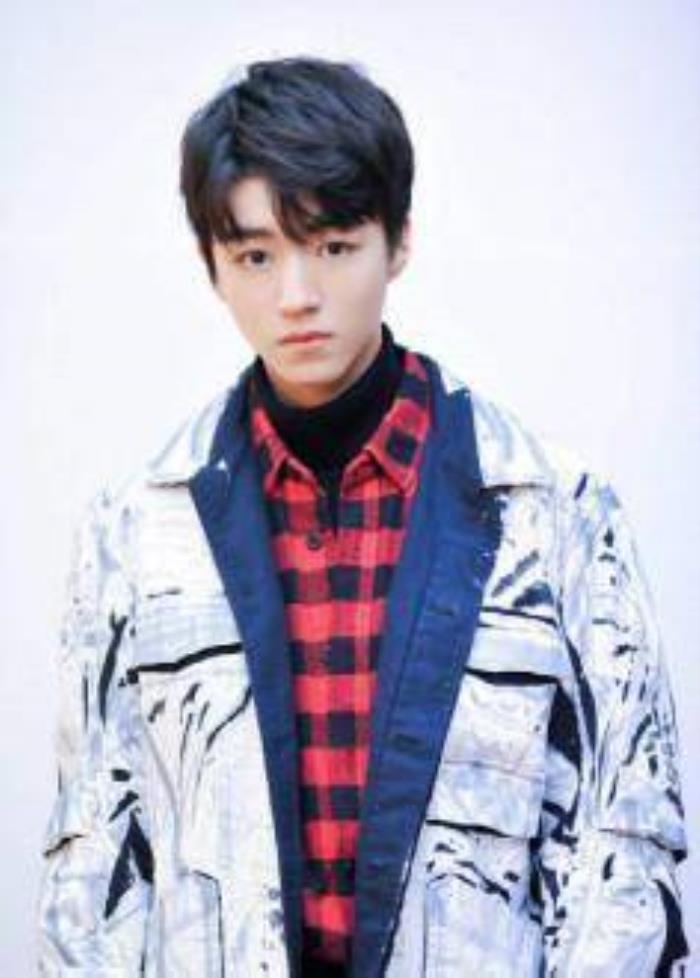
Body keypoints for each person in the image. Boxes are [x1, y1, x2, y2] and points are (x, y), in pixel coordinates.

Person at [36, 56, 689, 977]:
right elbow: (95, 861)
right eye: (256, 256)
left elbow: (628, 843)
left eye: (335, 247)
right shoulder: (136, 530)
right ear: (212, 265)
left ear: (399, 241)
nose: (296, 295)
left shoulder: (558, 515)